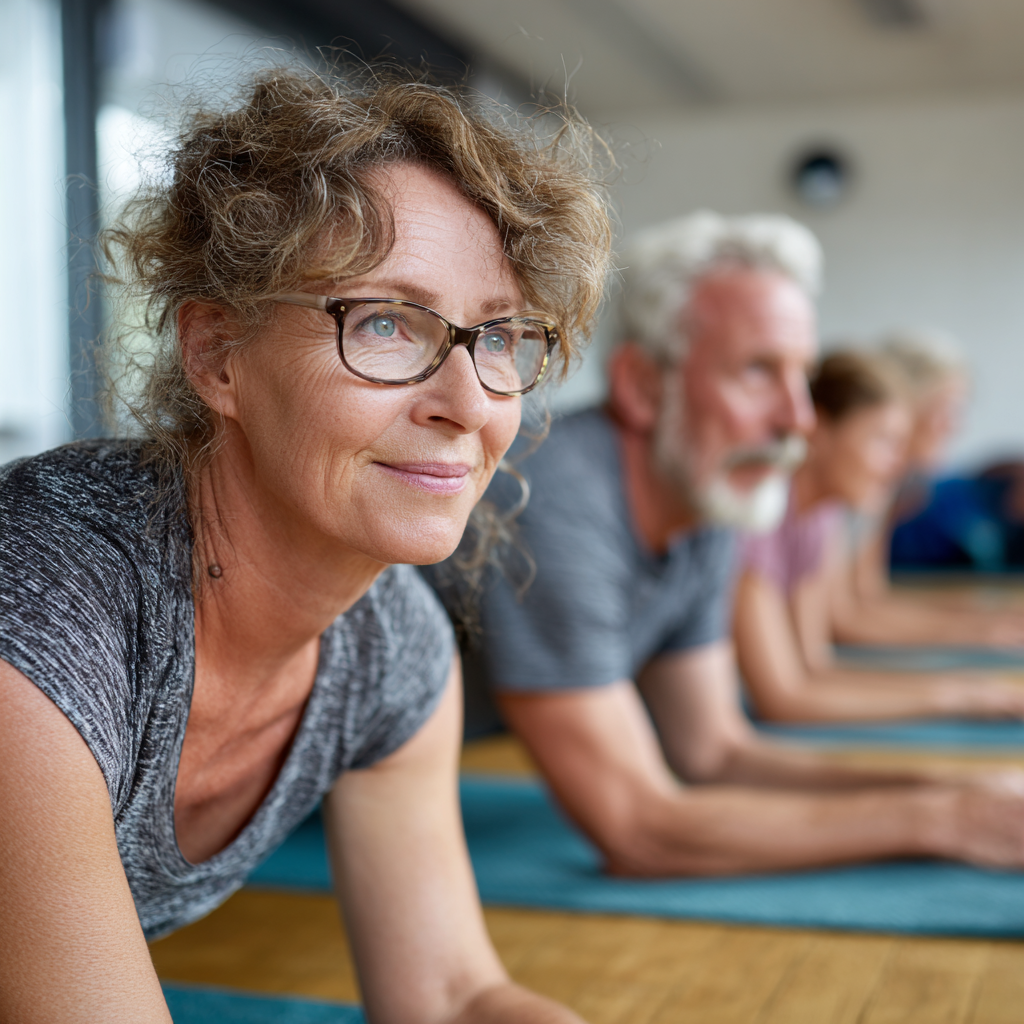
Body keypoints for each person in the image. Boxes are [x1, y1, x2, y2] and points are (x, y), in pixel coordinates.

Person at [0, 65, 612, 1023]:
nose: (466, 406)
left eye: (498, 338)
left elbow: (452, 996)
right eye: (382, 322)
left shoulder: (391, 641)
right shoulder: (45, 598)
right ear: (217, 355)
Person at [425, 212, 1024, 879]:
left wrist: (956, 792)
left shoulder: (710, 501)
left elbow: (714, 752)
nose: (798, 419)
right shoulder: (553, 498)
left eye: (800, 375)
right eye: (758, 372)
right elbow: (640, 829)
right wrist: (947, 819)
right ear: (644, 387)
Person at [734, 350, 1024, 722]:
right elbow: (785, 696)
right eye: (880, 440)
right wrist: (961, 695)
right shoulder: (760, 520)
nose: (895, 462)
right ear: (818, 431)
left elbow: (814, 662)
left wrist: (973, 674)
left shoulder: (820, 517)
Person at [833, 330, 1024, 644]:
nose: (955, 424)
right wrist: (977, 630)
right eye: (946, 408)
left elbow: (870, 597)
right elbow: (847, 615)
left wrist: (986, 620)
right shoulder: (861, 488)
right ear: (907, 404)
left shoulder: (896, 489)